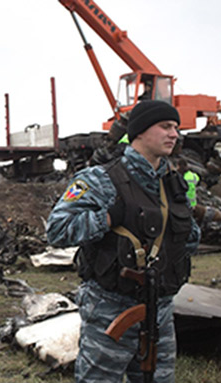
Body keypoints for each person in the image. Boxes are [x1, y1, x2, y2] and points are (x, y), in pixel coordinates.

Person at [46, 100, 200, 382]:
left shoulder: (173, 182)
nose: (174, 134)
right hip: (110, 307)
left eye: (176, 128)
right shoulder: (102, 180)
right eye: (165, 126)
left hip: (160, 311)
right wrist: (107, 219)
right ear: (140, 131)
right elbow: (57, 230)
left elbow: (187, 242)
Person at [176, 158, 221, 224]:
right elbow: (197, 179)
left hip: (186, 205)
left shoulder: (180, 178)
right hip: (191, 203)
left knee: (203, 213)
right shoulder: (191, 175)